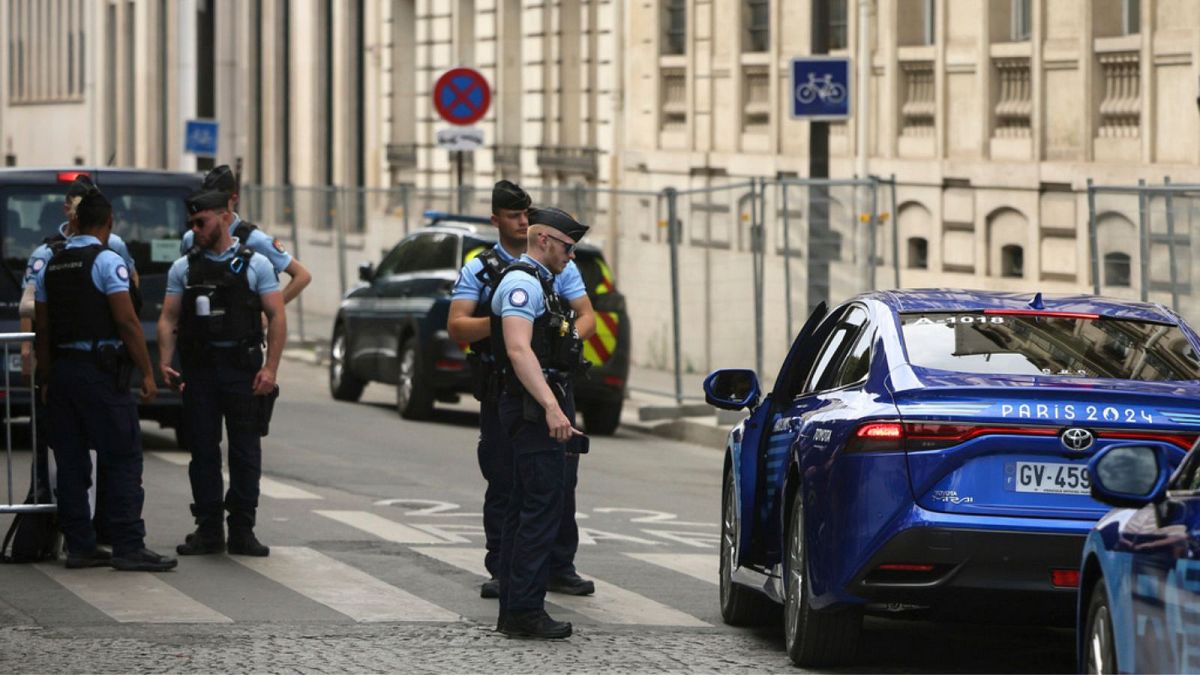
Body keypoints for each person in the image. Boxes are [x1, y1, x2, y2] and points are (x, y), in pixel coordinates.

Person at [447, 182, 597, 601]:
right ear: (496, 220)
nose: (522, 220)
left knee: (559, 478)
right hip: (505, 384)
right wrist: (512, 324)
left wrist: (564, 342)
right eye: (514, 215)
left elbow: (586, 318)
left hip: (551, 380)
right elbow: (458, 326)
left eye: (526, 213)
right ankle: (504, 566)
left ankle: (558, 564)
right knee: (505, 476)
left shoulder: (558, 269)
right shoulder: (484, 269)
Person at [33, 187, 176, 572]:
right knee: (124, 456)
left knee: (72, 462)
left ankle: (80, 546)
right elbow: (128, 322)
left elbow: (42, 329)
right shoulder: (107, 261)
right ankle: (129, 545)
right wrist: (147, 372)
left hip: (62, 374)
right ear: (109, 222)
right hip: (99, 373)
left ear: (74, 221)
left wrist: (46, 377)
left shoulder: (52, 262)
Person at [157, 188, 287, 557]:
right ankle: (209, 528)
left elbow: (277, 316)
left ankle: (243, 528)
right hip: (200, 372)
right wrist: (166, 360)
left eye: (202, 222)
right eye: (192, 224)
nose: (195, 229)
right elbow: (168, 317)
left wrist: (270, 369)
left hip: (242, 372)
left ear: (223, 217)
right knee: (203, 452)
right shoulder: (184, 267)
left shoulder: (255, 264)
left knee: (245, 452)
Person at [490, 207, 592, 639]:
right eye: (568, 247)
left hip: (534, 408)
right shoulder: (520, 283)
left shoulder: (543, 284)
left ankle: (516, 609)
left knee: (525, 509)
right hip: (532, 412)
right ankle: (525, 612)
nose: (572, 255)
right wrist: (552, 407)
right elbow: (518, 349)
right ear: (544, 240)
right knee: (539, 510)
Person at [179, 165, 311, 304]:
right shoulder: (191, 238)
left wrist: (269, 312)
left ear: (233, 199)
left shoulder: (255, 240)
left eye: (217, 200)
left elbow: (302, 276)